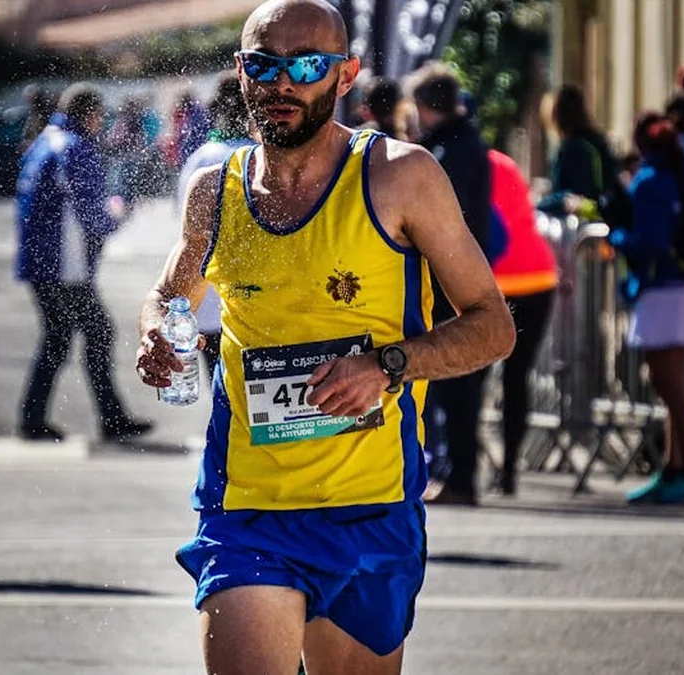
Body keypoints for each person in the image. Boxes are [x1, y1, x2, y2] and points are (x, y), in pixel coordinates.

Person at [135, 1, 515, 672]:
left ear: (346, 74)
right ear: (241, 71)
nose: (283, 82)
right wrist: (157, 335)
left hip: (368, 508)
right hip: (247, 509)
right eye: (264, 65)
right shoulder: (213, 192)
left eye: (307, 66)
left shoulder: (399, 176)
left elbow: (492, 325)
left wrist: (388, 365)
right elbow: (169, 296)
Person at [15, 84, 153, 443]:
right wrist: (119, 213)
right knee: (96, 333)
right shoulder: (76, 147)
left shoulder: (45, 141)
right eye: (100, 116)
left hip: (41, 261)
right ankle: (107, 418)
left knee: (63, 336)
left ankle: (39, 417)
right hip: (65, 265)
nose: (101, 123)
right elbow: (93, 216)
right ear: (89, 114)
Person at [402, 63, 497, 506]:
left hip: (449, 276)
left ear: (424, 105)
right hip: (457, 271)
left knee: (456, 381)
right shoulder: (461, 144)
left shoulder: (447, 153)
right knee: (454, 384)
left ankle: (460, 476)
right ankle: (456, 472)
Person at [609, 114, 684, 505]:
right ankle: (675, 468)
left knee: (667, 386)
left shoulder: (651, 180)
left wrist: (616, 236)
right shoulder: (683, 174)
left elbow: (649, 241)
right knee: (676, 387)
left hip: (662, 291)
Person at [482, 147, 557, 496]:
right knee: (517, 377)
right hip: (538, 277)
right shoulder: (505, 163)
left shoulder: (460, 163)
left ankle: (467, 466)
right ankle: (509, 469)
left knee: (471, 377)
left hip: (496, 283)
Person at [175, 71, 256, 379]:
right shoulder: (258, 158)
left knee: (220, 389)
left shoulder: (199, 158)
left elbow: (184, 228)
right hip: (252, 302)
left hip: (206, 299)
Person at [535, 84, 621, 221]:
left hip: (580, 223)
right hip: (604, 218)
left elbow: (572, 196)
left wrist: (540, 204)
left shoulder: (572, 148)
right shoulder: (598, 141)